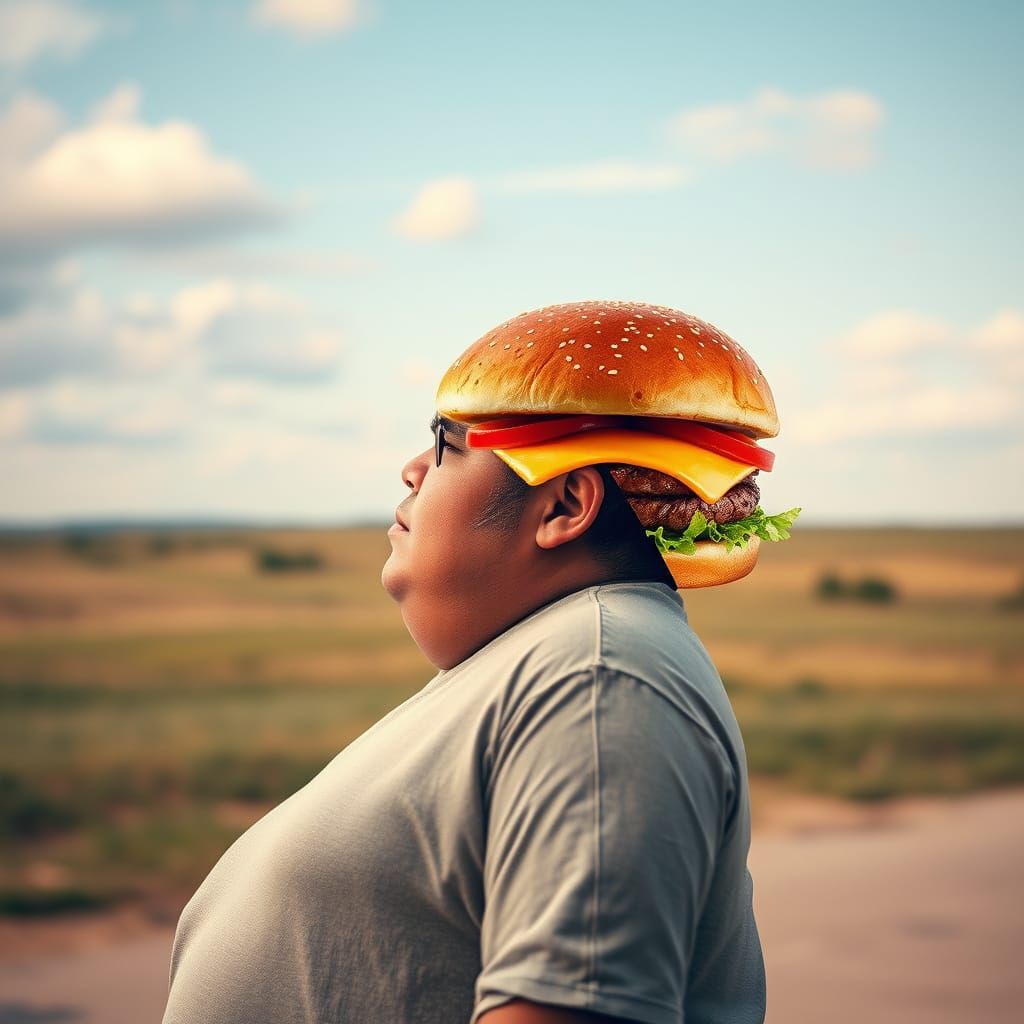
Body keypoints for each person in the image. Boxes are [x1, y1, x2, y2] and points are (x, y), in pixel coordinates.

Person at [163, 300, 768, 1024]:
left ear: (565, 504)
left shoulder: (601, 675)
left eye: (448, 446)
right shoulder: (554, 654)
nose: (413, 468)